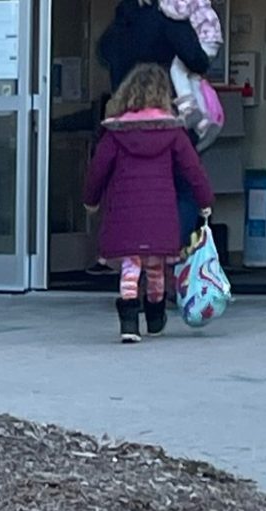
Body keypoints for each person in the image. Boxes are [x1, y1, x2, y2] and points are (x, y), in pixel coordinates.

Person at [83, 63, 215, 344]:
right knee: (155, 267)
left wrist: (90, 201)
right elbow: (193, 170)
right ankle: (155, 316)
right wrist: (205, 202)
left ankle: (129, 321)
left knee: (131, 267)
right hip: (161, 216)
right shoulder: (173, 132)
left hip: (125, 216)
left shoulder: (115, 133)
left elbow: (98, 170)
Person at [159, 0, 224, 141]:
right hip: (212, 40)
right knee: (192, 78)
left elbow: (178, 11)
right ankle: (204, 120)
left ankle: (187, 108)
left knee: (176, 70)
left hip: (204, 39)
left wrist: (162, 5)